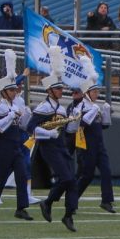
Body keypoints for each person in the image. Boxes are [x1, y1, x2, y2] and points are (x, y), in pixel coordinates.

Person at [0, 50, 34, 223]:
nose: (14, 92)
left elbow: (23, 126)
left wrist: (27, 115)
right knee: (0, 181)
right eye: (11, 90)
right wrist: (10, 116)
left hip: (17, 146)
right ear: (4, 92)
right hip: (3, 149)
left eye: (14, 89)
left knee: (21, 175)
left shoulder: (15, 105)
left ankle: (21, 208)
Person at [64, 57, 115, 227]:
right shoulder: (81, 107)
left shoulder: (96, 105)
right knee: (87, 175)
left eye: (97, 91)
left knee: (107, 171)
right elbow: (82, 124)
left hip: (99, 144)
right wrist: (94, 111)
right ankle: (72, 201)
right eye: (94, 92)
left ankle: (107, 201)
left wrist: (106, 113)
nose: (97, 94)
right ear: (87, 93)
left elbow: (105, 126)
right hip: (86, 145)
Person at [30, 51, 78, 229]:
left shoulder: (61, 108)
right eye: (58, 88)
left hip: (62, 146)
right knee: (66, 179)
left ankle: (68, 214)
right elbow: (31, 128)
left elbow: (68, 130)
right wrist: (48, 133)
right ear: (49, 90)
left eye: (61, 88)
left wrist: (76, 121)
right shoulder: (43, 107)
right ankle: (48, 202)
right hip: (48, 148)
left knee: (72, 180)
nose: (61, 91)